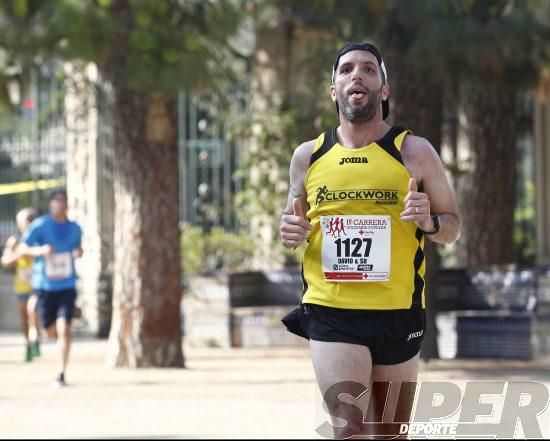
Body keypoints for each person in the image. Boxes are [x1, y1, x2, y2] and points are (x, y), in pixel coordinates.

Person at [279, 42, 461, 438]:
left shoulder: (414, 151)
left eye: (368, 69)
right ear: (333, 90)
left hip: (398, 309)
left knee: (391, 433)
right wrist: (288, 229)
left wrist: (430, 221)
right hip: (331, 310)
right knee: (350, 429)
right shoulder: (308, 156)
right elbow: (293, 217)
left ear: (384, 89)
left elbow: (452, 227)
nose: (356, 75)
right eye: (345, 70)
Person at [19, 189, 83, 388]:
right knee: (50, 332)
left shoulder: (75, 229)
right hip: (45, 286)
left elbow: (78, 248)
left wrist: (79, 251)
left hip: (67, 285)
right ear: (51, 205)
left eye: (64, 202)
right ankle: (40, 334)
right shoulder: (41, 225)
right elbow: (22, 248)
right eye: (57, 202)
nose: (61, 205)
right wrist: (40, 250)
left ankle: (61, 372)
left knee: (65, 329)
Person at [1, 207, 40, 362]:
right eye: (25, 220)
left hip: (37, 285)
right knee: (24, 318)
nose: (28, 222)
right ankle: (28, 345)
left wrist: (31, 251)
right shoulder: (15, 241)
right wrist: (18, 254)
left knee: (33, 311)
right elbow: (4, 262)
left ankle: (35, 338)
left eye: (31, 219)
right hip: (21, 286)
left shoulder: (39, 239)